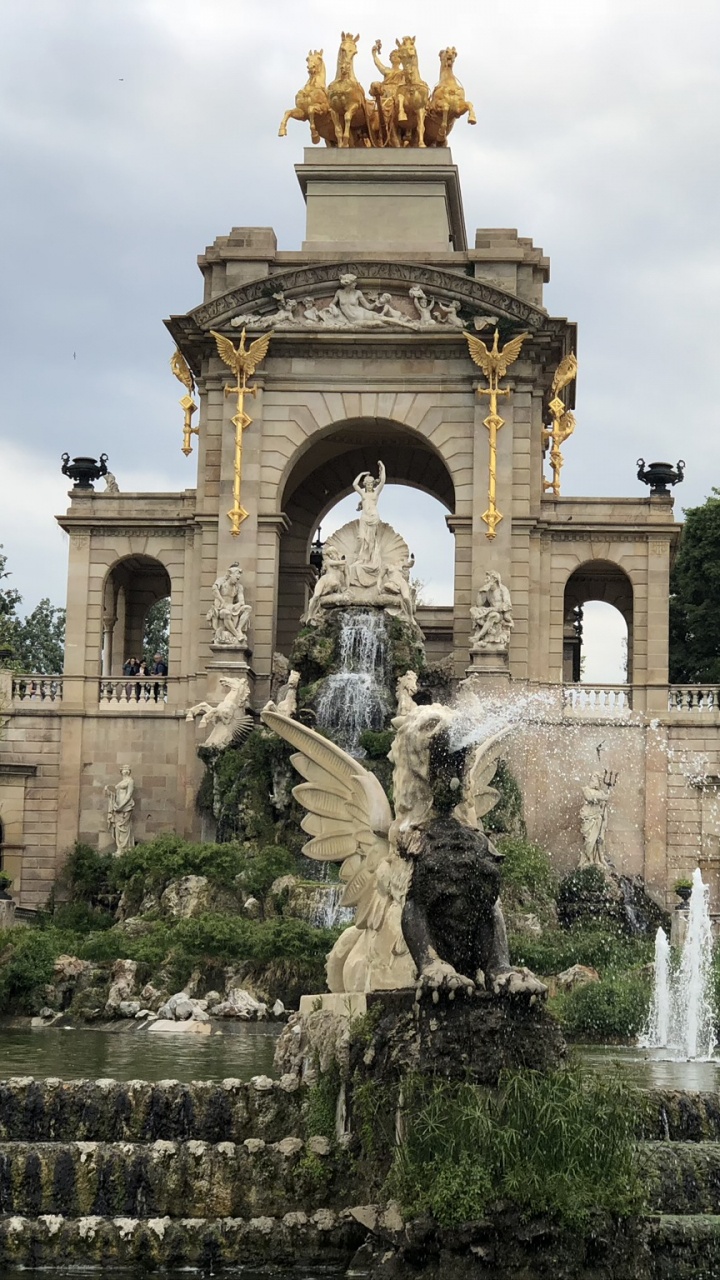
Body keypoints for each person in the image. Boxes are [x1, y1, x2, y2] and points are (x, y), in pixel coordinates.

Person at [352, 461, 386, 584]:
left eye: (372, 484)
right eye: (368, 484)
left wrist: (382, 468)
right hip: (364, 517)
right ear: (365, 485)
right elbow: (355, 484)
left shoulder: (375, 493)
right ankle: (362, 559)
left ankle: (370, 560)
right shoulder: (363, 493)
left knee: (371, 541)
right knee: (361, 538)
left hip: (373, 517)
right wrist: (361, 474)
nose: (370, 486)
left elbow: (382, 482)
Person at [105, 766, 135, 856]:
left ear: (129, 771)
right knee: (117, 826)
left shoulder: (130, 781)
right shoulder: (121, 782)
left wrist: (121, 806)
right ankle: (120, 848)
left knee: (124, 826)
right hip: (117, 807)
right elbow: (116, 794)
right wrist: (109, 792)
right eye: (123, 769)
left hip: (126, 807)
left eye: (127, 769)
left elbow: (129, 794)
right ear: (121, 771)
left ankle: (125, 848)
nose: (125, 771)